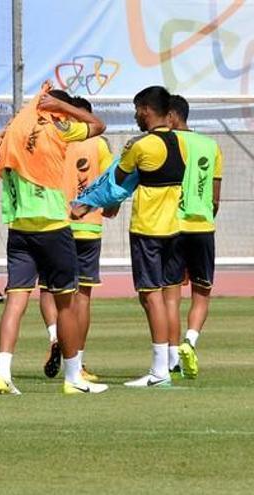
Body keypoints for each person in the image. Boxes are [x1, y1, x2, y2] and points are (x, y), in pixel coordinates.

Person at [0, 83, 108, 395]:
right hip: (53, 225)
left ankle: (2, 373)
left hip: (18, 226)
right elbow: (98, 125)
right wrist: (65, 107)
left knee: (15, 301)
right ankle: (73, 378)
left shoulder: (11, 131)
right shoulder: (57, 127)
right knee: (66, 303)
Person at [111, 86, 187, 388]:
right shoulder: (182, 143)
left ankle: (159, 372)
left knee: (150, 297)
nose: (135, 115)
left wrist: (90, 204)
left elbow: (117, 181)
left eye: (136, 109)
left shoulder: (140, 147)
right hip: (176, 229)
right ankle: (170, 361)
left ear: (145, 109)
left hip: (148, 230)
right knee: (169, 298)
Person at [39, 96, 115, 382]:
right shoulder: (98, 144)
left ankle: (54, 336)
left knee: (48, 290)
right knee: (82, 297)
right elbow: (111, 180)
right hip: (89, 227)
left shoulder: (56, 137)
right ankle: (78, 363)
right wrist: (109, 207)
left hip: (56, 224)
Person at [164, 94, 222, 380]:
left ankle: (173, 358)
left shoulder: (169, 142)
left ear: (172, 116)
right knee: (201, 294)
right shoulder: (212, 146)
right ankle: (190, 341)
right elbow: (215, 198)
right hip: (203, 229)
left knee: (171, 296)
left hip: (173, 228)